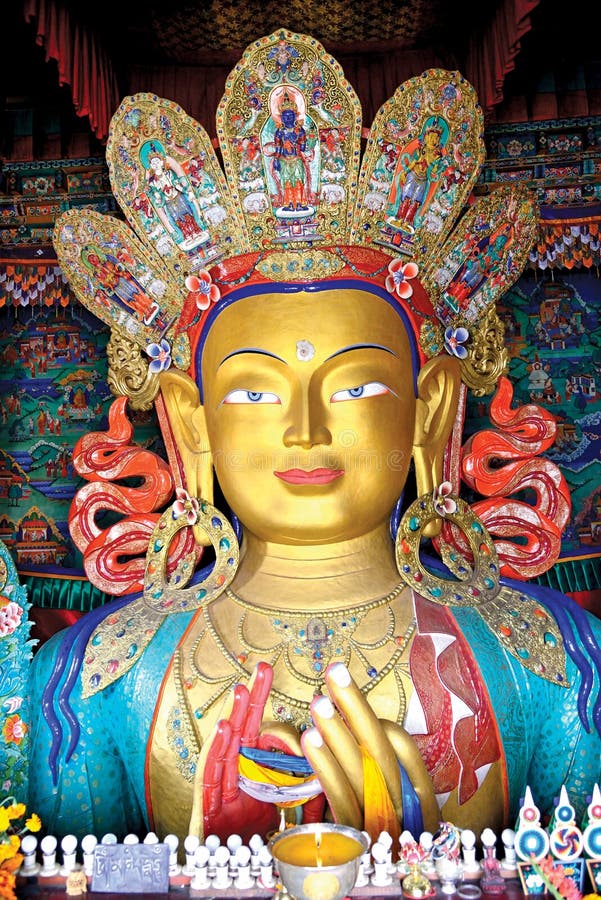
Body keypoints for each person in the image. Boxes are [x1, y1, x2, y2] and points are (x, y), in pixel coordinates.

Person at [30, 30, 601, 849]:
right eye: (255, 389)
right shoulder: (92, 684)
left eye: (358, 386)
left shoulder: (553, 664)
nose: (305, 428)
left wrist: (418, 858)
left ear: (430, 410)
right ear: (192, 420)